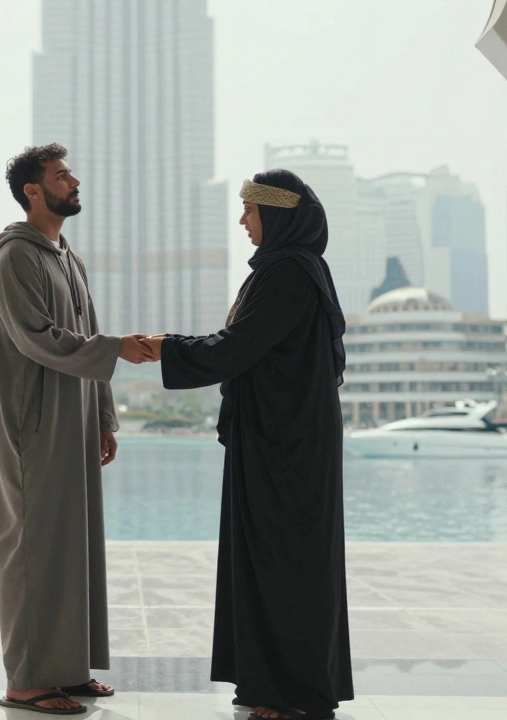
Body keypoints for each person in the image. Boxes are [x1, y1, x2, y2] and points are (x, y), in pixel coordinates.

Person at [144, 169, 353, 720]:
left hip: (287, 445)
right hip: (279, 436)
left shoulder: (288, 273)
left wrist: (166, 348)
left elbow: (238, 346)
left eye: (249, 210)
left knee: (288, 563)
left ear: (277, 214)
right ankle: (268, 684)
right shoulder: (288, 270)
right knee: (268, 559)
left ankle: (297, 695)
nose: (242, 220)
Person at [0, 144, 157, 715]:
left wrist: (104, 415)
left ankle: (65, 669)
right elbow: (36, 336)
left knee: (72, 545)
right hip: (33, 425)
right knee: (33, 548)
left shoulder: (67, 256)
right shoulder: (15, 256)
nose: (75, 181)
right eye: (62, 176)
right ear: (33, 191)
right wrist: (118, 351)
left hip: (77, 418)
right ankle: (26, 680)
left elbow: (88, 329)